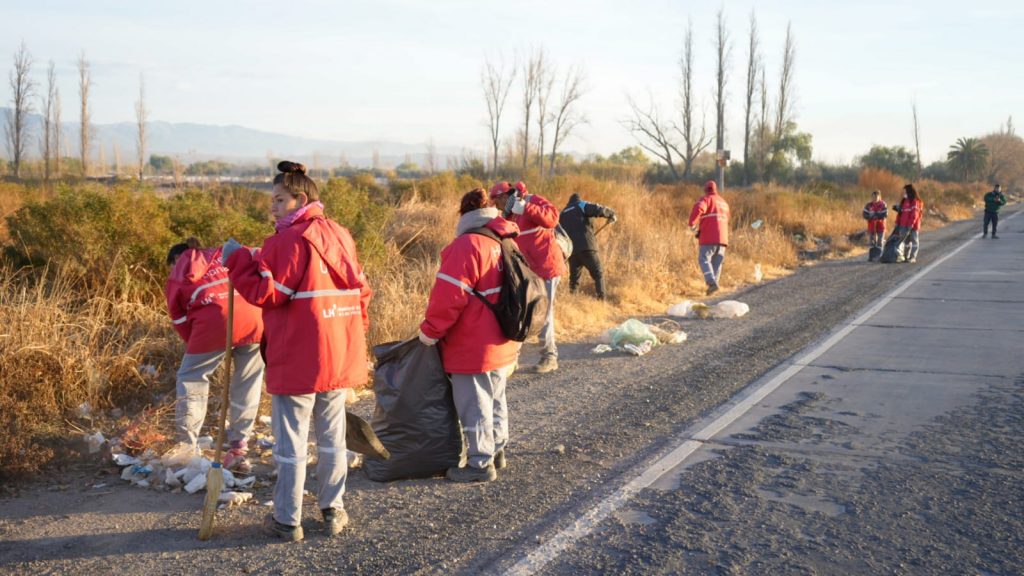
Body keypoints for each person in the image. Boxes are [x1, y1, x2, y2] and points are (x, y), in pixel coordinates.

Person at [224, 161, 372, 542]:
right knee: (332, 437)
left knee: (291, 442)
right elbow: (361, 293)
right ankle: (333, 510)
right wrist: (353, 337)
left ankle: (288, 520)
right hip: (338, 353)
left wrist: (237, 260)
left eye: (279, 200)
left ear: (300, 200)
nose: (272, 208)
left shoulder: (288, 241)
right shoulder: (341, 235)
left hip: (300, 357)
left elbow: (268, 292)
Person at [418, 188, 520, 483]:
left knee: (474, 403)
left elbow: (448, 298)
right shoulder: (505, 238)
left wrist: (430, 332)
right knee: (496, 397)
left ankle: (480, 463)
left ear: (464, 214)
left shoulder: (467, 245)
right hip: (504, 337)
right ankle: (497, 450)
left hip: (473, 343)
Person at [165, 238, 265, 474]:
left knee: (191, 377)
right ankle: (239, 445)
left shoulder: (181, 268)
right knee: (248, 380)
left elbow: (179, 318)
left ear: (177, 258)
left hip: (215, 322)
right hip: (255, 317)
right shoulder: (222, 254)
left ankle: (187, 445)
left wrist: (197, 344)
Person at [488, 181, 566, 374]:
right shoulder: (509, 214)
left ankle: (549, 357)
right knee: (520, 313)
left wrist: (526, 208)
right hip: (528, 271)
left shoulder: (532, 201)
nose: (497, 207)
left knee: (543, 313)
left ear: (503, 196)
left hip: (547, 268)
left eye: (497, 202)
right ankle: (512, 359)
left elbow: (553, 219)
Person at [559, 193, 616, 300]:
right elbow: (598, 209)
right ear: (578, 199)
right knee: (598, 273)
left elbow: (558, 233)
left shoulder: (562, 214)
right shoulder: (581, 205)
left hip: (572, 251)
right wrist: (611, 214)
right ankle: (601, 300)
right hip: (587, 247)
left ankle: (572, 302)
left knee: (574, 281)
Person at [688, 180, 731, 295]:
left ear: (705, 190)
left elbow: (699, 208)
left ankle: (711, 283)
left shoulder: (706, 199)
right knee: (717, 263)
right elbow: (727, 218)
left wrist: (692, 225)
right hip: (723, 239)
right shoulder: (724, 203)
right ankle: (713, 287)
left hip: (709, 237)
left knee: (704, 259)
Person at [893, 183, 924, 263]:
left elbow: (914, 214)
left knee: (914, 241)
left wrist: (911, 224)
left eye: (905, 192)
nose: (904, 193)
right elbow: (900, 214)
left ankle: (913, 257)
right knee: (906, 242)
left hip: (913, 225)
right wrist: (897, 222)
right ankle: (906, 256)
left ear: (909, 192)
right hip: (904, 225)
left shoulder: (915, 201)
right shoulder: (904, 201)